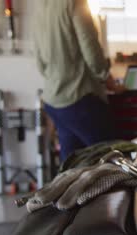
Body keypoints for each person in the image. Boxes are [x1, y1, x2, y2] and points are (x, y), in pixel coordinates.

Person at [34, 0, 117, 161]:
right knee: (112, 159)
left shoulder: (41, 6)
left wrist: (57, 78)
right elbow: (90, 48)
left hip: (54, 101)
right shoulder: (74, 3)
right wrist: (106, 77)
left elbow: (40, 62)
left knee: (72, 165)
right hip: (80, 98)